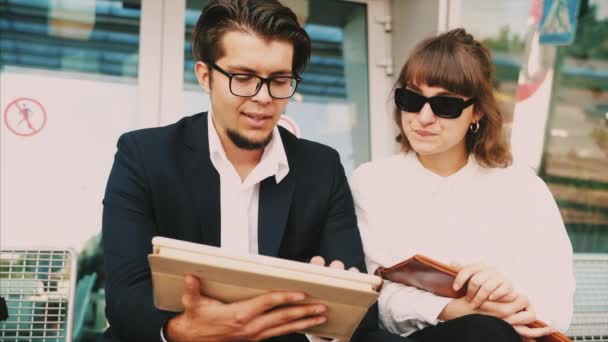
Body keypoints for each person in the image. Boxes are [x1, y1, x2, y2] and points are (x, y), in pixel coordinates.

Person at [101, 1, 412, 341]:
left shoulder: (321, 168)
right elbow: (125, 295)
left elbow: (361, 315)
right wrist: (182, 331)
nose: (263, 97)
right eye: (244, 78)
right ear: (205, 76)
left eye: (279, 80)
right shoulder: (144, 155)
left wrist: (330, 310)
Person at [350, 28, 575, 342]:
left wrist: (506, 294)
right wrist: (451, 309)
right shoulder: (371, 182)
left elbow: (554, 304)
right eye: (411, 99)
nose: (423, 117)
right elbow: (368, 298)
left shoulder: (523, 190)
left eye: (446, 105)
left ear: (477, 112)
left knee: (487, 331)